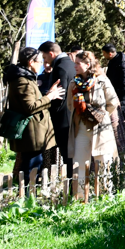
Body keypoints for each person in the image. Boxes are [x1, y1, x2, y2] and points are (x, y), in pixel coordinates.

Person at [66, 51, 121, 200]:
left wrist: (100, 116)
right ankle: (80, 197)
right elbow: (70, 105)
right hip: (81, 128)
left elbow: (113, 102)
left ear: (88, 64)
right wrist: (83, 114)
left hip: (100, 129)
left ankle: (106, 195)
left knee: (103, 160)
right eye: (75, 63)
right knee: (79, 162)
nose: (75, 66)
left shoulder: (102, 81)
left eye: (78, 63)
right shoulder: (73, 83)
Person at [4, 48, 62, 183]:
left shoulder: (26, 77)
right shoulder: (22, 81)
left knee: (35, 165)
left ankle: (30, 197)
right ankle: (27, 198)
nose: (41, 64)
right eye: (39, 61)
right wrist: (50, 97)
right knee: (31, 167)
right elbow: (30, 107)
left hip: (35, 131)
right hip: (32, 133)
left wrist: (47, 94)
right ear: (31, 62)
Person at [38, 41, 76, 177]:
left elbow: (59, 95)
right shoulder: (70, 64)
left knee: (67, 155)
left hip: (62, 118)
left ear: (51, 53)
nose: (45, 60)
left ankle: (72, 186)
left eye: (44, 57)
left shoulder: (60, 67)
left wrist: (51, 110)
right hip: (71, 113)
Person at [102, 44, 125, 159]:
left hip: (121, 100)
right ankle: (121, 150)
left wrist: (115, 96)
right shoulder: (114, 61)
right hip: (115, 98)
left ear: (110, 53)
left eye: (104, 54)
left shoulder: (123, 63)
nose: (103, 56)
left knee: (124, 123)